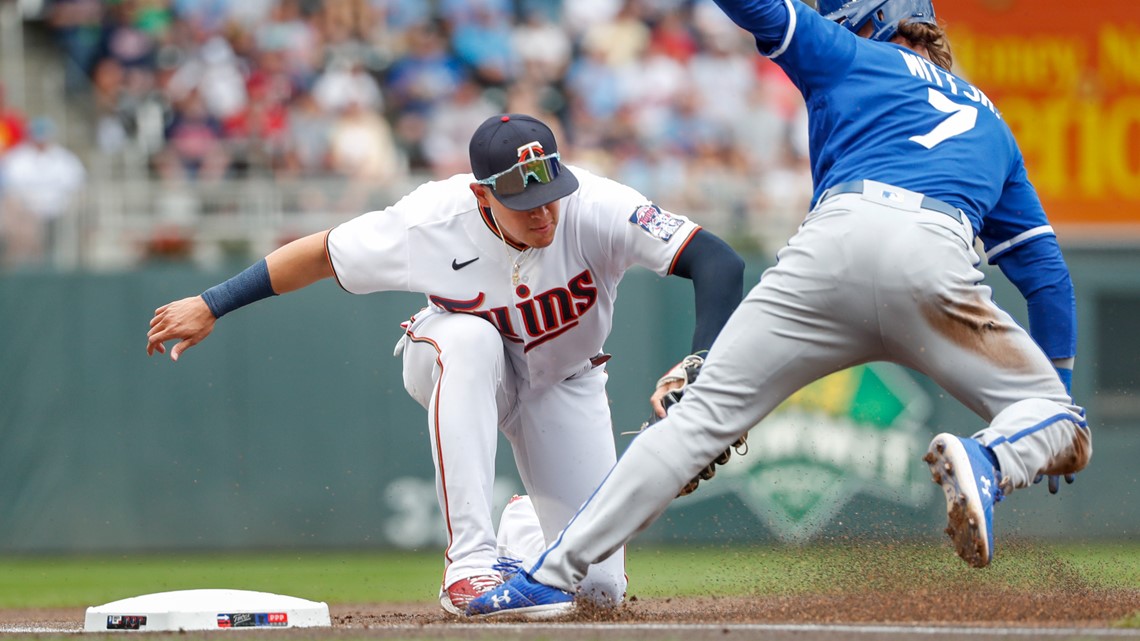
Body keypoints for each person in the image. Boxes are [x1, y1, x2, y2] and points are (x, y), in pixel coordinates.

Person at [468, 0, 1090, 618]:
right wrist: (1040, 415)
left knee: (697, 423)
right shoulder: (993, 124)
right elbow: (1047, 276)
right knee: (1066, 424)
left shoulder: (848, 53)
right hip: (934, 255)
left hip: (831, 246)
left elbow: (761, 8)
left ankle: (549, 576)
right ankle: (992, 457)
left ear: (866, 15)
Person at [145, 113, 745, 615]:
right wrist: (211, 303)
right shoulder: (428, 220)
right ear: (480, 192)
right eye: (523, 201)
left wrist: (701, 360)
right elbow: (321, 254)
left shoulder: (599, 205)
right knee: (472, 340)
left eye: (549, 195)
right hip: (453, 360)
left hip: (566, 382)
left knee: (597, 592)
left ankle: (523, 531)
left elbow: (716, 261)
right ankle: (471, 565)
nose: (543, 214)